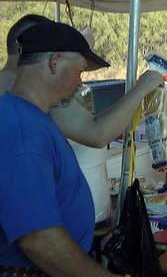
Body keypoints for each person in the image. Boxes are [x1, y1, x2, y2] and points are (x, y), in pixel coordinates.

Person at [0, 22, 119, 276]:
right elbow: (39, 240)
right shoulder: (23, 132)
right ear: (55, 62)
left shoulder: (32, 117)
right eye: (80, 70)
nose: (80, 81)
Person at [0, 14, 164, 147]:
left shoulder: (13, 94)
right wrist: (141, 89)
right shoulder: (38, 94)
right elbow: (98, 134)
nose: (79, 82)